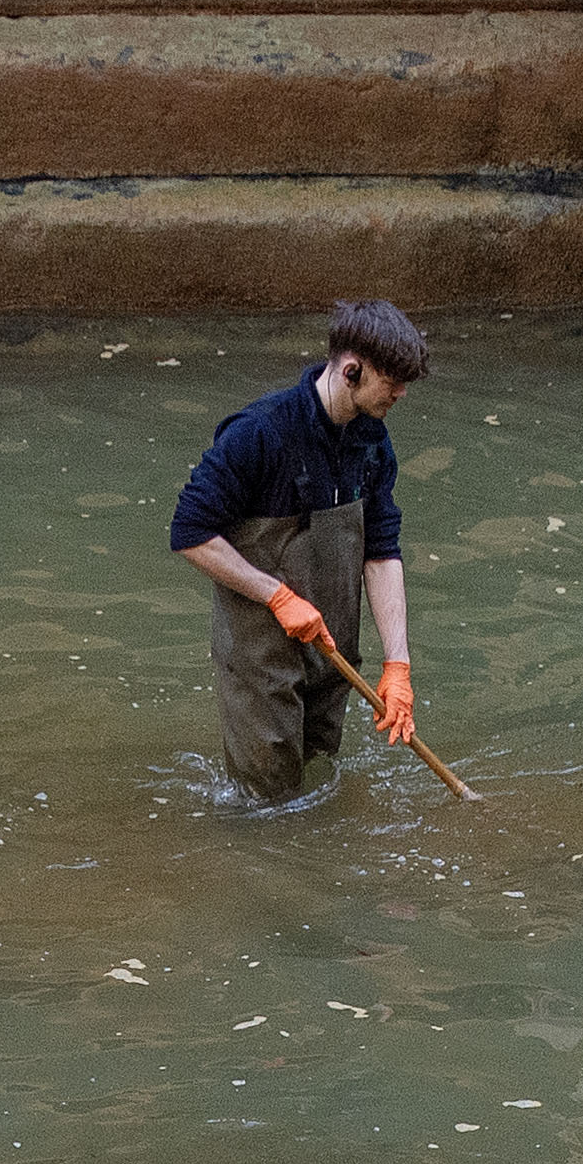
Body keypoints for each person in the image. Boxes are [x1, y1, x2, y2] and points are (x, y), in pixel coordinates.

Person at [169, 301, 430, 801]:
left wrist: (398, 664)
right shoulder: (259, 433)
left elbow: (381, 547)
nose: (400, 393)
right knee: (265, 800)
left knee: (314, 781)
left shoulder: (373, 440)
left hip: (332, 651)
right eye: (392, 381)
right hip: (260, 653)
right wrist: (277, 596)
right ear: (352, 370)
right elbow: (189, 532)